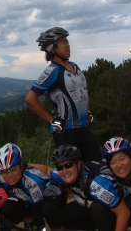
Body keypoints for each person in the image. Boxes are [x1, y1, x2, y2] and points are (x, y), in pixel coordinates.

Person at [24, 27, 102, 162]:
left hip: (83, 128)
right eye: (64, 42)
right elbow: (30, 99)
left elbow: (83, 91)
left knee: (97, 166)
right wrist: (52, 120)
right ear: (52, 49)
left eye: (67, 41)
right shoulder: (52, 71)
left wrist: (88, 111)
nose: (68, 45)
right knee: (71, 172)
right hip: (66, 132)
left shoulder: (75, 67)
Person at [49, 144, 130, 231]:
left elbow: (124, 213)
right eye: (59, 167)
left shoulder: (96, 184)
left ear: (79, 164)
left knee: (98, 209)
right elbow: (46, 170)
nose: (64, 171)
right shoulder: (62, 174)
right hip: (91, 206)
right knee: (64, 215)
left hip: (119, 210)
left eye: (68, 165)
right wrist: (32, 165)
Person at [0, 143, 65, 231]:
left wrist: (42, 229)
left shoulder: (32, 181)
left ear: (21, 166)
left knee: (47, 208)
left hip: (52, 196)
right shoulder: (0, 178)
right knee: (8, 207)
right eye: (4, 171)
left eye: (13, 169)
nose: (9, 175)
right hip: (29, 198)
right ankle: (29, 221)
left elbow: (36, 212)